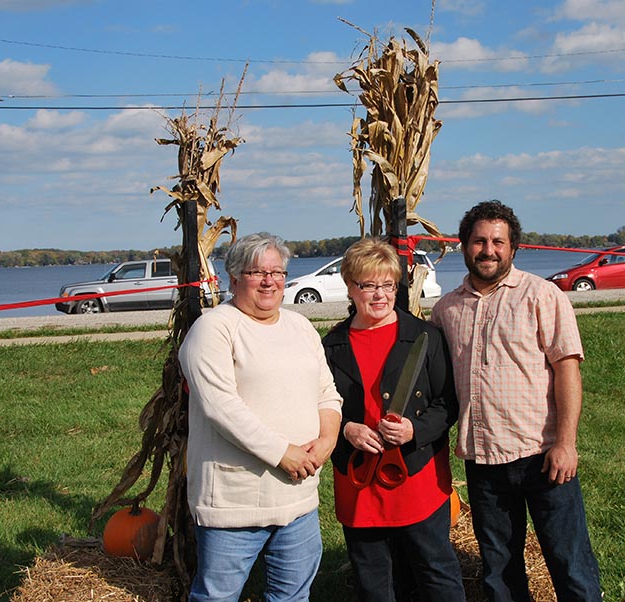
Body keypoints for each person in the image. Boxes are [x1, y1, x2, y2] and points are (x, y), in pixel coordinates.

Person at [430, 201, 602, 602]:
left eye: (497, 242)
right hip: (484, 461)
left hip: (542, 455)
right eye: (479, 241)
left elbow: (567, 369)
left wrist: (566, 443)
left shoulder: (541, 296)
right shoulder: (446, 310)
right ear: (464, 246)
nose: (488, 250)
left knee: (569, 561)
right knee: (499, 568)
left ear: (513, 248)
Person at [179, 232, 343, 602]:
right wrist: (283, 453)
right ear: (234, 278)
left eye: (278, 272)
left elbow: (327, 393)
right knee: (217, 597)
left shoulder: (299, 326)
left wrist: (328, 440)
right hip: (235, 502)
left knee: (291, 597)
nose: (269, 281)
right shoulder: (214, 328)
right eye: (257, 272)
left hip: (298, 498)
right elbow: (221, 407)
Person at [322, 238, 465, 602]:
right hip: (359, 478)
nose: (381, 295)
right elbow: (316, 405)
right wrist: (345, 429)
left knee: (435, 572)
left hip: (417, 476)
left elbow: (448, 402)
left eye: (388, 285)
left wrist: (415, 429)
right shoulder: (331, 345)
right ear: (350, 285)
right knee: (373, 581)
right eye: (369, 285)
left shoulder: (424, 338)